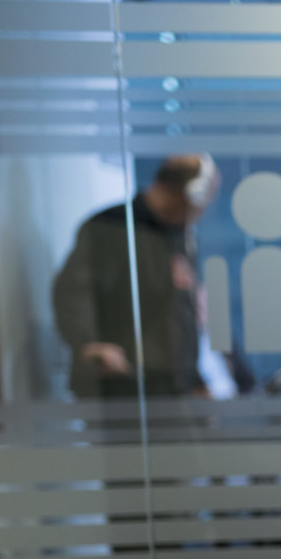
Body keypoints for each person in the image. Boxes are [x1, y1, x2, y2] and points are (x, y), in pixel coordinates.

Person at [53, 154, 220, 399]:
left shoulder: (179, 238)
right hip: (121, 383)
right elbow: (72, 292)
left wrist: (195, 378)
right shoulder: (113, 227)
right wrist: (90, 344)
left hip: (172, 387)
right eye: (204, 200)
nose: (203, 211)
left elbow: (181, 315)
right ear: (190, 194)